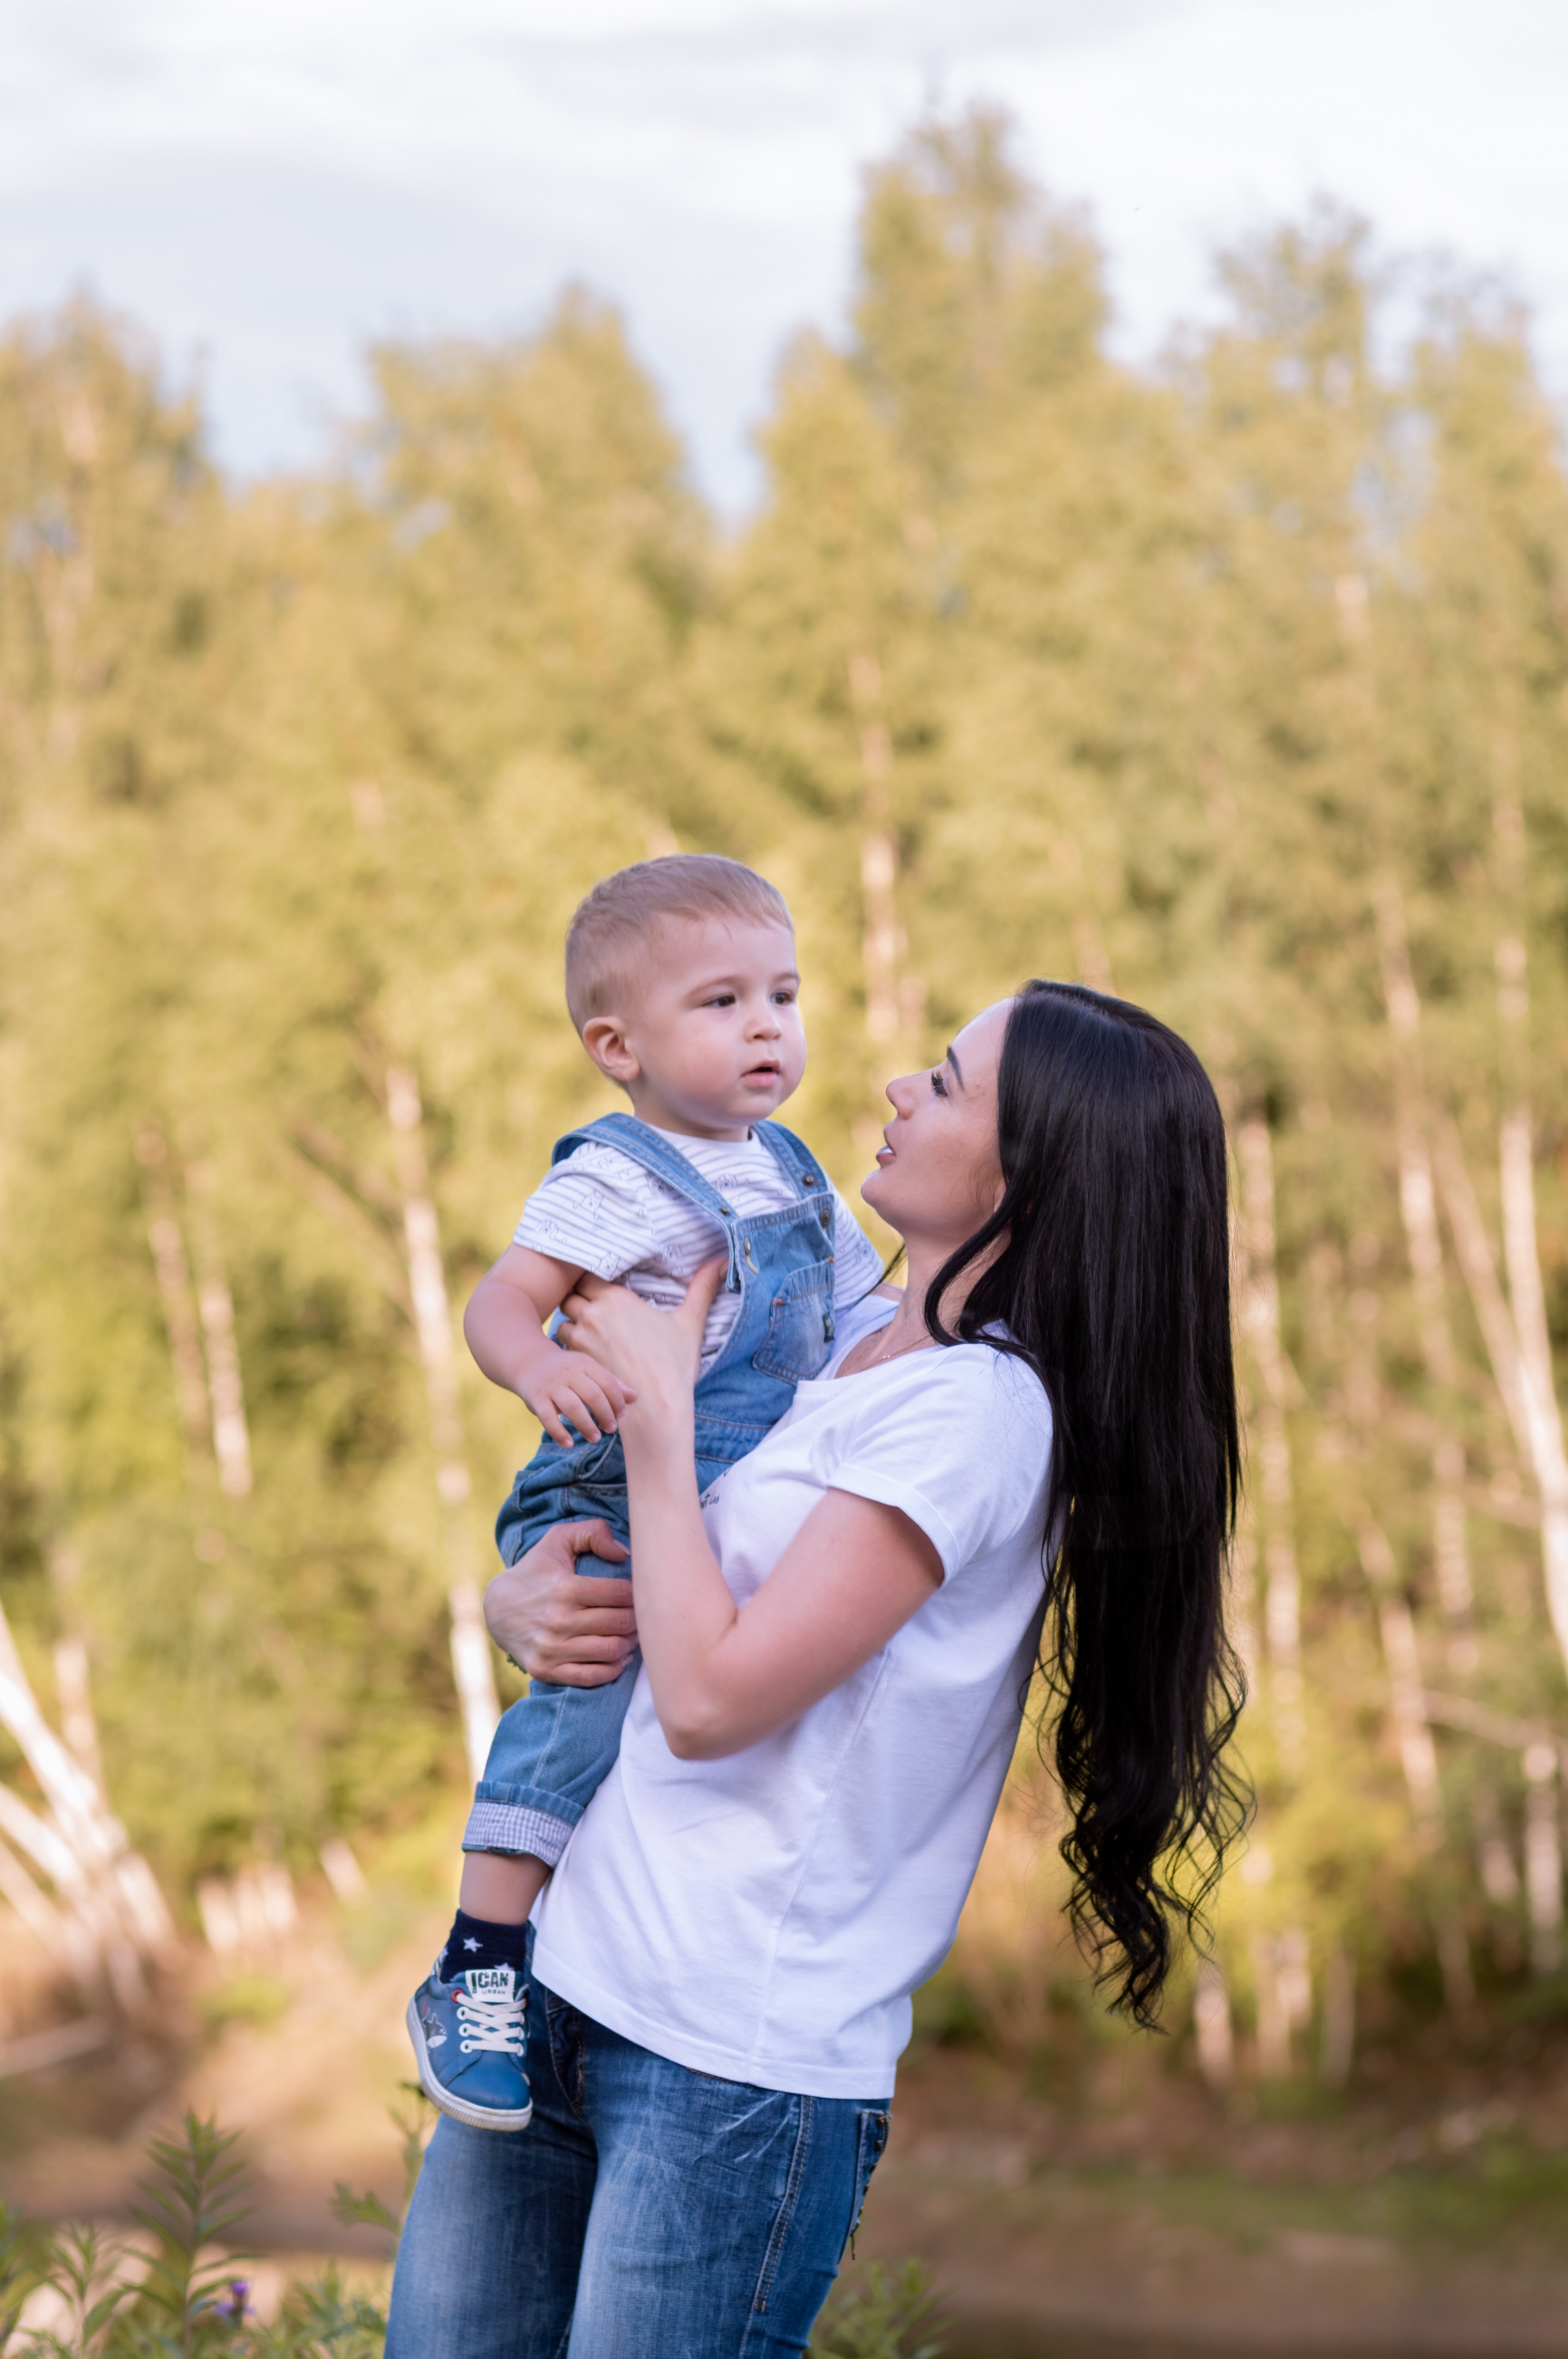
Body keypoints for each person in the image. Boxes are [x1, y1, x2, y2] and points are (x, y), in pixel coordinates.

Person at [386, 979, 1246, 2359]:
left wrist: (661, 1422)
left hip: (723, 2068)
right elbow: (661, 1592)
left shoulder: (975, 1414)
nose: (901, 1087)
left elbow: (718, 1699)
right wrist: (524, 1604)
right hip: (562, 1978)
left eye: (951, 1085)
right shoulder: (832, 1339)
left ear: (1035, 1175)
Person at [407, 856, 890, 2131]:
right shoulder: (617, 1177)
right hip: (607, 1479)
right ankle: (477, 1961)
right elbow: (501, 1298)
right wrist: (538, 1369)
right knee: (586, 1689)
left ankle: (568, 1950)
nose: (766, 1028)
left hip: (712, 1490)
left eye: (782, 996)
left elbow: (866, 1322)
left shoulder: (793, 1172)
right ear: (615, 1044)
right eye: (721, 1002)